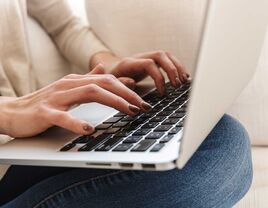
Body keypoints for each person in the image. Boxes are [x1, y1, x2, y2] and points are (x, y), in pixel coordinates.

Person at [0, 0, 252, 207]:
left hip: (22, 152)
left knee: (221, 137)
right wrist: (8, 114)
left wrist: (109, 64)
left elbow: (65, 26)